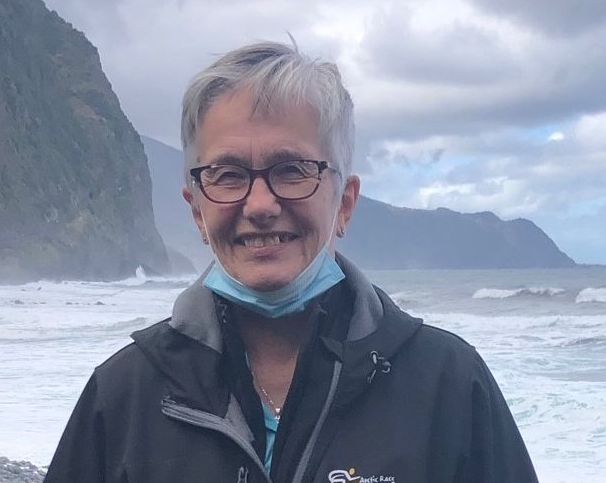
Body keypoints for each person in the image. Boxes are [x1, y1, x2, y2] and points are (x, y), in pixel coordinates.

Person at [44, 41, 538, 483]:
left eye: (292, 170)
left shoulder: (449, 386)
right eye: (228, 174)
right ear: (197, 210)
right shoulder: (123, 395)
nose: (260, 205)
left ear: (345, 203)